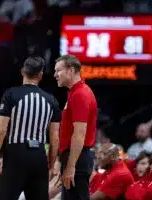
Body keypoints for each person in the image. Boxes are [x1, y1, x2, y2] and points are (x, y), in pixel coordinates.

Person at [0, 56, 61, 200]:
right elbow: (54, 138)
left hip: (16, 154)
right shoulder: (51, 100)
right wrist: (51, 164)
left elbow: (1, 130)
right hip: (39, 156)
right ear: (40, 75)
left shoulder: (11, 94)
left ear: (22, 71)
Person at [54, 54, 97, 200]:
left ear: (71, 71)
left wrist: (71, 166)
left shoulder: (80, 94)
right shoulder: (74, 93)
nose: (55, 75)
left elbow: (79, 133)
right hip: (75, 157)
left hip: (78, 158)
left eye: (58, 70)